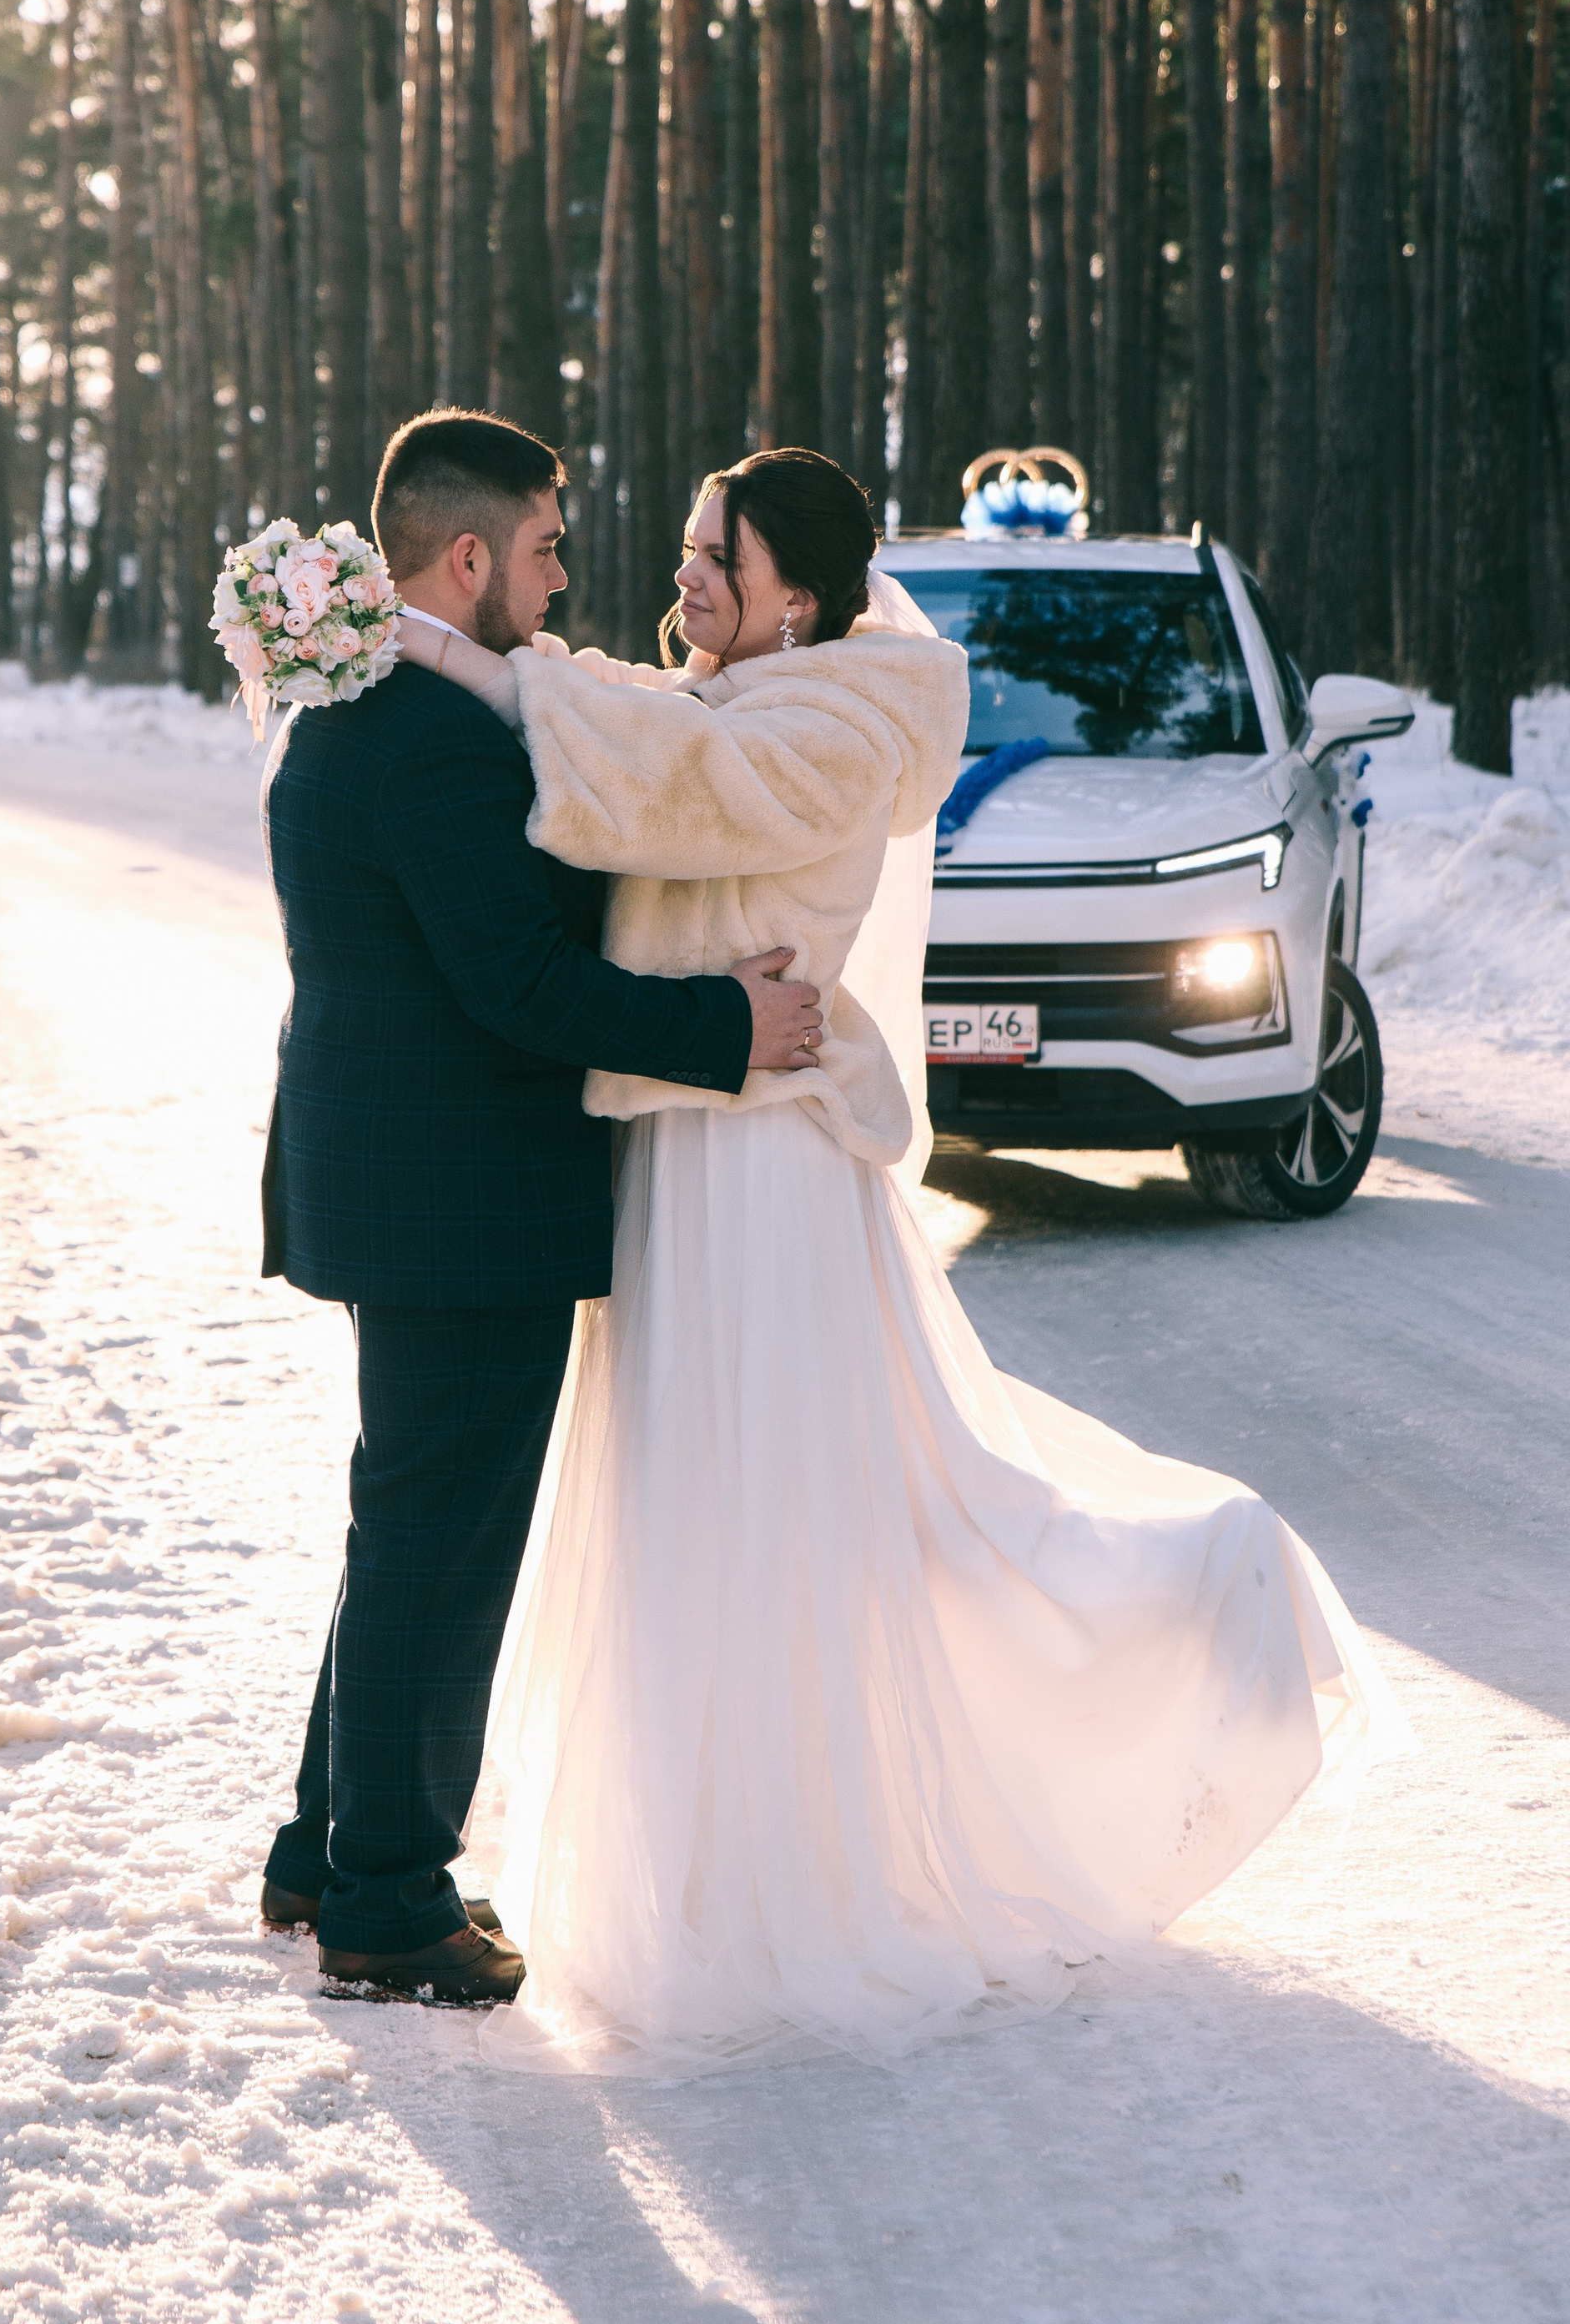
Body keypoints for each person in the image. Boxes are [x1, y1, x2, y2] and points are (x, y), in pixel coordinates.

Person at [398, 444, 1396, 2070]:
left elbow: (650, 779)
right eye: (687, 542)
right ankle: (707, 1857)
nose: (685, 572)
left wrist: (460, 650)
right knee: (682, 1502)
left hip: (765, 1172)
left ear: (800, 587)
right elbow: (620, 741)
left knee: (788, 1506)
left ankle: (1184, 1615)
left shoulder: (852, 719)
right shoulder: (703, 699)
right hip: (676, 1144)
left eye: (718, 550)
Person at [256, 409, 827, 2005]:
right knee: (443, 1549)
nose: (567, 578)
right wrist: (729, 1026)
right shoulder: (429, 740)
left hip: (416, 1188)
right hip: (459, 1205)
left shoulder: (370, 700)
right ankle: (388, 1902)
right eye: (548, 547)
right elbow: (519, 982)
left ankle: (325, 1853)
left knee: (408, 1531)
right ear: (467, 557)